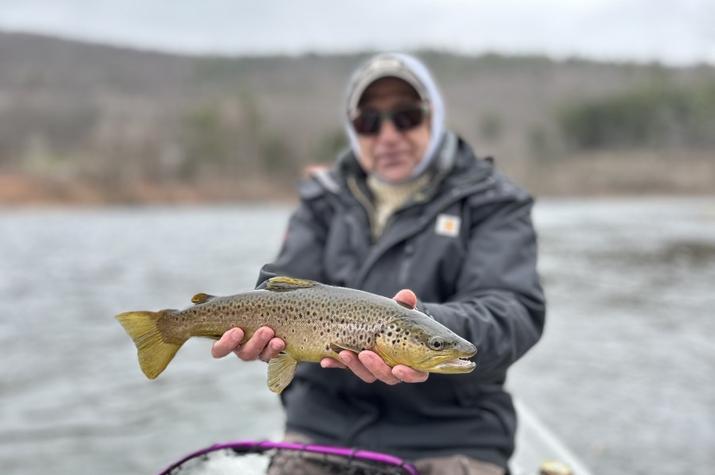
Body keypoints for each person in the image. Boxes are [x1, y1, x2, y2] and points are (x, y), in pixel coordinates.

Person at [211, 52, 545, 475]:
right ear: (353, 129)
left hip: (451, 435)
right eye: (369, 122)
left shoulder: (492, 200)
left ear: (434, 117)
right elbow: (278, 286)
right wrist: (258, 332)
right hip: (321, 432)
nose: (387, 135)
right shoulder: (323, 199)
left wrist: (421, 322)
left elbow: (512, 312)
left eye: (406, 117)